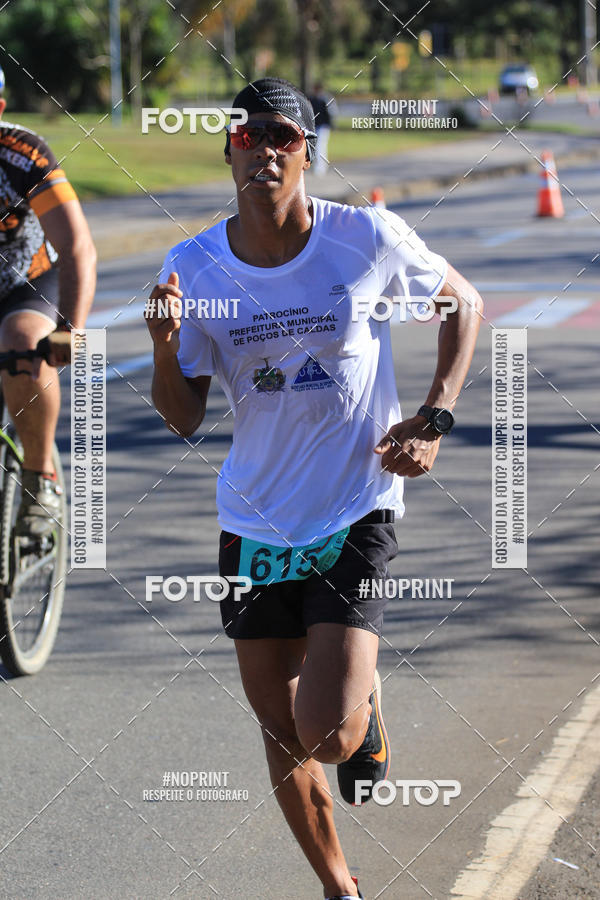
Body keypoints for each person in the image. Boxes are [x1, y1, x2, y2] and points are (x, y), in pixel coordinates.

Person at [146, 77, 483, 900]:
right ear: (228, 149)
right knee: (280, 733)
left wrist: (433, 420)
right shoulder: (193, 267)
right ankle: (340, 888)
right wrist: (162, 346)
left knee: (327, 733)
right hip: (255, 519)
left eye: (283, 137)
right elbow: (184, 418)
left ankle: (360, 698)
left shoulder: (363, 237)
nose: (264, 150)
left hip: (352, 505)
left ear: (307, 152)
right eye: (247, 136)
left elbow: (461, 303)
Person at [0, 65, 96, 536]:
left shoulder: (22, 154)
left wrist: (69, 329)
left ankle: (41, 479)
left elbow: (77, 245)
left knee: (21, 342)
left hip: (29, 281)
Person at [309, 81, 338, 176]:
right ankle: (318, 166)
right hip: (314, 127)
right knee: (315, 146)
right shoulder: (312, 99)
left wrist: (331, 125)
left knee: (320, 146)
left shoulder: (325, 99)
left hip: (323, 126)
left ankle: (320, 167)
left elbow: (332, 113)